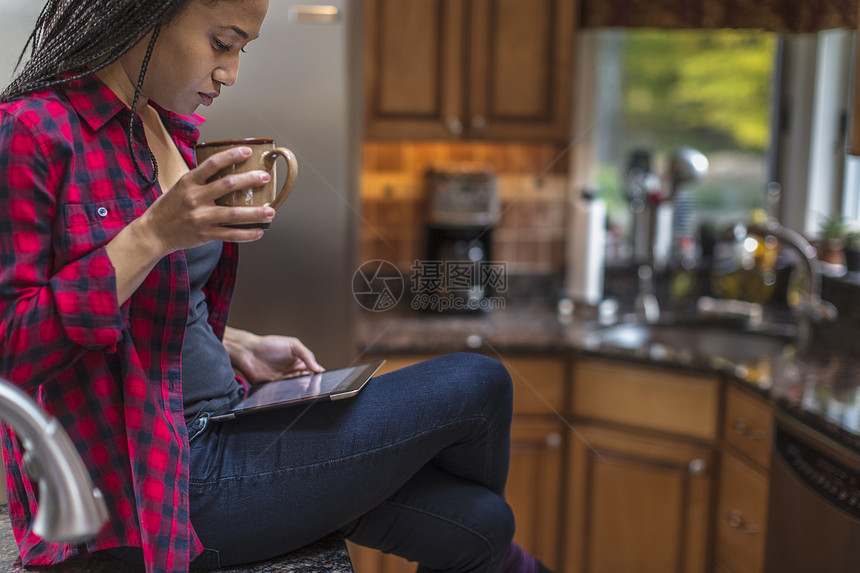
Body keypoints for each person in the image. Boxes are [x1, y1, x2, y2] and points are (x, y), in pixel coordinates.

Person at [0, 1, 553, 572]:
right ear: (149, 15)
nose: (231, 73)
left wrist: (235, 344)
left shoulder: (157, 124)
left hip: (227, 423)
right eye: (221, 43)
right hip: (164, 481)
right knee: (479, 380)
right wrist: (151, 235)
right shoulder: (31, 130)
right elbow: (11, 348)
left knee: (482, 525)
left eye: (243, 49)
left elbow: (157, 300)